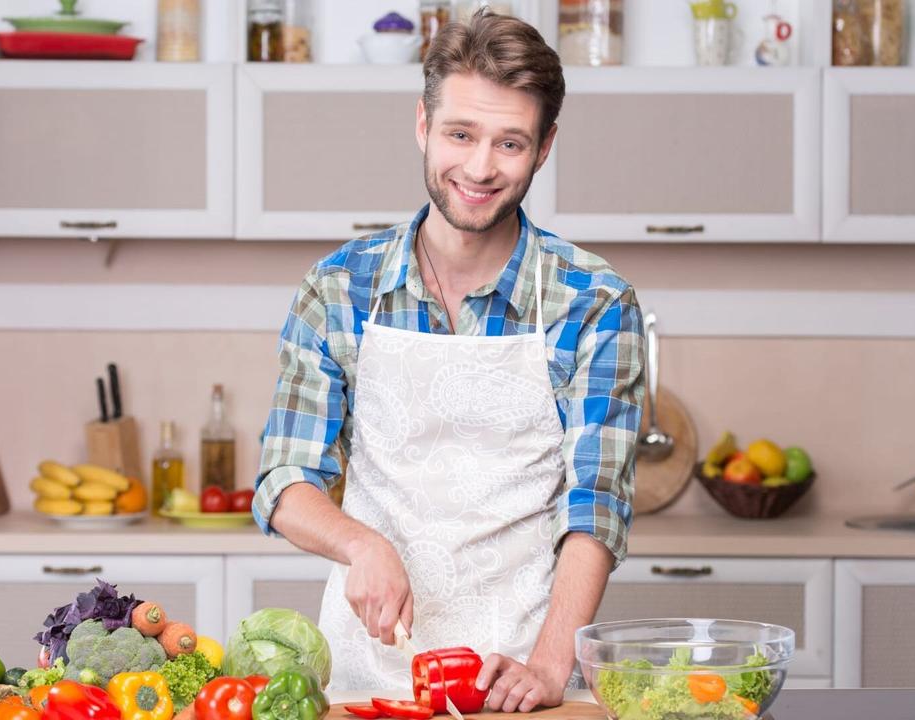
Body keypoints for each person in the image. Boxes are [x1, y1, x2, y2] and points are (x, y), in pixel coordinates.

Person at [252, 10, 643, 713]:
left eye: (510, 142)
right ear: (423, 124)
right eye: (461, 133)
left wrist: (551, 667)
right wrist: (360, 545)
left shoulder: (595, 301)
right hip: (363, 676)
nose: (480, 167)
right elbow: (285, 480)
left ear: (545, 147)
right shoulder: (340, 288)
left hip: (519, 678)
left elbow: (597, 504)